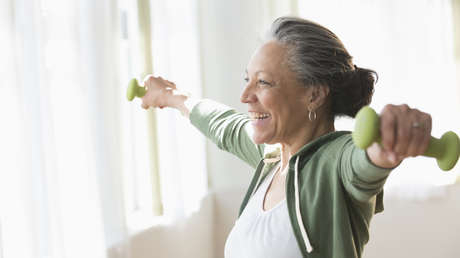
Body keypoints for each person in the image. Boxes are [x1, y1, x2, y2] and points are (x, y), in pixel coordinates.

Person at [139, 17, 432, 258]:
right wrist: (171, 97)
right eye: (247, 80)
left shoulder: (334, 163)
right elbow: (224, 125)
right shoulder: (272, 159)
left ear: (314, 94)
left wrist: (386, 146)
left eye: (263, 82)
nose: (244, 96)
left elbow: (362, 161)